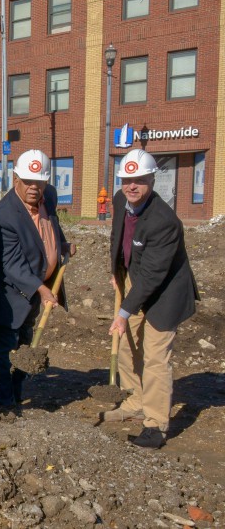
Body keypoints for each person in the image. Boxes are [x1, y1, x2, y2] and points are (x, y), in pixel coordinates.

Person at [104, 148, 198, 449]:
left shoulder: (164, 221)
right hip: (136, 277)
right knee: (130, 343)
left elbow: (154, 276)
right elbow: (118, 238)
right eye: (127, 179)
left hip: (166, 290)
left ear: (152, 180)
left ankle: (156, 425)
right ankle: (135, 401)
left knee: (155, 356)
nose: (132, 186)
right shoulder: (121, 200)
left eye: (140, 180)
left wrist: (123, 312)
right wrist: (117, 272)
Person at [0, 150, 73, 409]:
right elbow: (11, 264)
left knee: (25, 345)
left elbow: (50, 227)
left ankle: (16, 394)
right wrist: (41, 288)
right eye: (28, 182)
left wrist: (62, 244)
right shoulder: (3, 215)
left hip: (36, 294)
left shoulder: (50, 198)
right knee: (2, 350)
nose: (34, 188)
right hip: (10, 295)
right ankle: (2, 404)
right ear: (15, 179)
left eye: (39, 182)